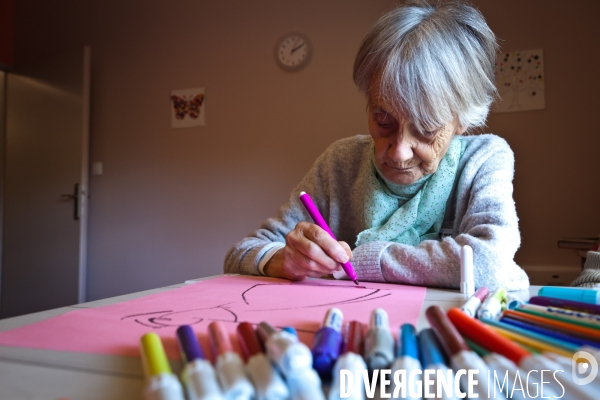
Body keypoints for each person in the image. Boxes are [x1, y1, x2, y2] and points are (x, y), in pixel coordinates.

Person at [224, 0, 529, 291]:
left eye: (425, 129)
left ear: (462, 120)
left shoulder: (484, 159)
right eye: (383, 121)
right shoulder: (339, 163)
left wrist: (360, 260)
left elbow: (489, 265)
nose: (398, 151)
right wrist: (285, 259)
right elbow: (241, 253)